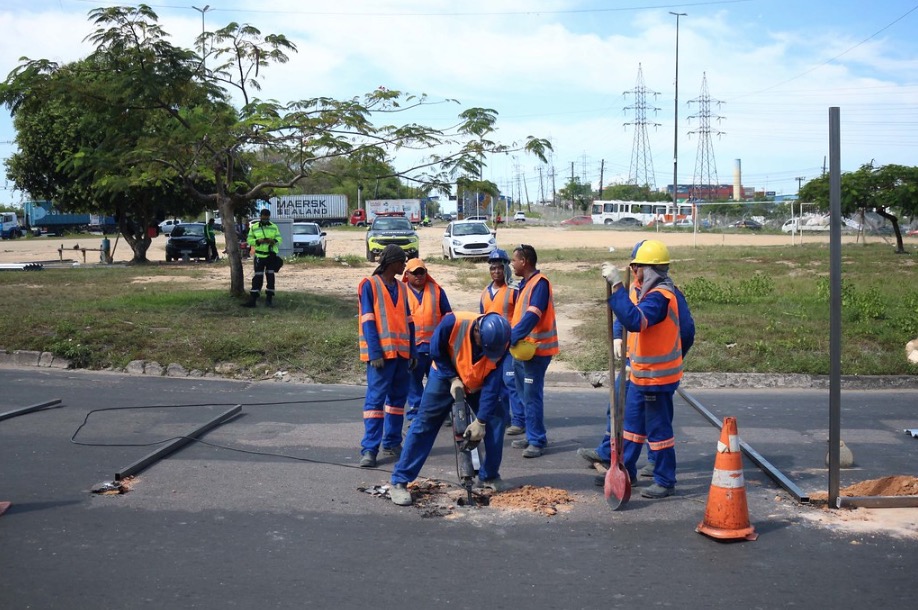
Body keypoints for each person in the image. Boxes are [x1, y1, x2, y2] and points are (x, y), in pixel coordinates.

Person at [579, 240, 695, 482]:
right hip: (640, 373)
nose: (633, 272)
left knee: (658, 432)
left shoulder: (660, 297)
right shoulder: (644, 289)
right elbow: (627, 316)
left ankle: (664, 480)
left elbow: (636, 320)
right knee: (630, 427)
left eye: (636, 267)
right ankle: (624, 472)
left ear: (649, 268)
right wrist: (618, 338)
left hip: (657, 377)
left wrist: (618, 285)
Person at [389, 312, 512, 506]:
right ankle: (399, 481)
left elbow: (494, 382)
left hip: (479, 382)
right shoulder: (453, 322)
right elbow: (436, 352)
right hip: (444, 377)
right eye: (483, 345)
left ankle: (489, 476)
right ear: (478, 330)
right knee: (424, 424)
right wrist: (452, 378)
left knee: (496, 420)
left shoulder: (502, 339)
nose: (485, 350)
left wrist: (480, 421)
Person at [357, 244, 418, 468]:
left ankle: (392, 442)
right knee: (375, 402)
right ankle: (370, 450)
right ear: (392, 262)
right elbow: (367, 320)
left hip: (401, 355)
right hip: (381, 357)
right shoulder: (370, 285)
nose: (404, 266)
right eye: (402, 262)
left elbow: (409, 322)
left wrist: (412, 351)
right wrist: (374, 352)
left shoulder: (402, 289)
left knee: (396, 403)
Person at [508, 244, 559, 458]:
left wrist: (511, 336)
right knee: (523, 394)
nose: (512, 264)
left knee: (531, 395)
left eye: (514, 260)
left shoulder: (540, 284)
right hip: (523, 351)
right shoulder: (524, 284)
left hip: (536, 351)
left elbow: (533, 315)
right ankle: (532, 435)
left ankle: (537, 440)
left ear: (525, 261)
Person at [402, 258, 452, 422]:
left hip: (434, 347)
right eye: (414, 272)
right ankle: (416, 413)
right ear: (407, 274)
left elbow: (448, 317)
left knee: (437, 382)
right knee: (413, 383)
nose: (418, 275)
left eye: (421, 272)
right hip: (412, 347)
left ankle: (439, 413)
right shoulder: (401, 291)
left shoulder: (437, 290)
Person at [480, 249, 523, 437]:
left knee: (511, 381)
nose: (496, 272)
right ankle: (504, 417)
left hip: (510, 345)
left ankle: (519, 420)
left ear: (506, 268)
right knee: (496, 384)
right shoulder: (485, 292)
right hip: (491, 346)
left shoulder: (514, 290)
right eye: (493, 268)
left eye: (499, 268)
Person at [242, 209, 282, 307]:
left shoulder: (274, 226)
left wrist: (273, 241)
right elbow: (249, 240)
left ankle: (269, 300)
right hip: (259, 255)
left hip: (270, 256)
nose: (265, 219)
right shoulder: (254, 227)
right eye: (264, 217)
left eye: (267, 217)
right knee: (257, 278)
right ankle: (253, 300)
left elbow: (279, 239)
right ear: (260, 216)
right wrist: (258, 241)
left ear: (269, 216)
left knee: (270, 277)